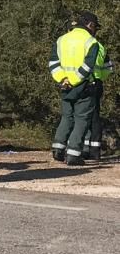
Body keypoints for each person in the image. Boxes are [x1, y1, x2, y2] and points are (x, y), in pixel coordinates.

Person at [50, 11, 101, 166]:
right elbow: (87, 66)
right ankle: (73, 154)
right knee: (82, 119)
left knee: (67, 117)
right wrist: (74, 81)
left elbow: (53, 63)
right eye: (95, 27)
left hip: (64, 86)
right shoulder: (91, 42)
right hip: (84, 86)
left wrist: (63, 79)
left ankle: (58, 150)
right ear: (90, 25)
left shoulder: (61, 40)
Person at [84, 33, 113, 161]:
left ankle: (82, 148)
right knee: (95, 116)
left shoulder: (83, 44)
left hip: (83, 82)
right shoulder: (100, 46)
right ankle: (95, 150)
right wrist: (100, 77)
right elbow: (109, 67)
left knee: (81, 116)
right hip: (97, 83)